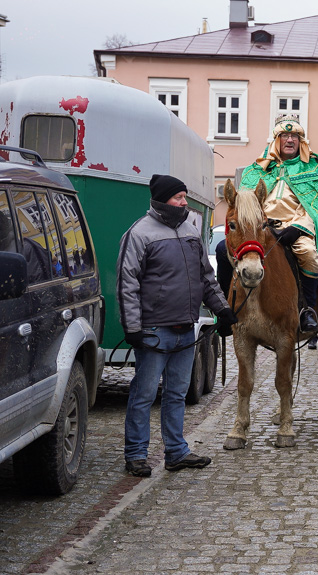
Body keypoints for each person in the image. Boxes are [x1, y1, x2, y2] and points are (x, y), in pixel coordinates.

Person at [117, 174, 237, 477]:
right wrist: (132, 328)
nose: (184, 203)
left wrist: (222, 309)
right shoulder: (139, 233)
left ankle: (176, 452)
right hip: (154, 331)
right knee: (143, 394)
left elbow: (205, 277)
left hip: (186, 328)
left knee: (176, 394)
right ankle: (135, 455)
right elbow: (127, 284)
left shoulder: (190, 231)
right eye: (179, 197)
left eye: (185, 197)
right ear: (161, 200)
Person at [217, 115, 318, 335]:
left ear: (301, 141)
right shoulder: (256, 171)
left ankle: (306, 310)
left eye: (295, 136)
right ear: (276, 140)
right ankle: (224, 309)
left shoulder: (315, 171)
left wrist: (297, 229)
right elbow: (243, 206)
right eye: (284, 136)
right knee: (222, 250)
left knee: (309, 254)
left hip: (297, 229)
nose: (290, 140)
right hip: (262, 229)